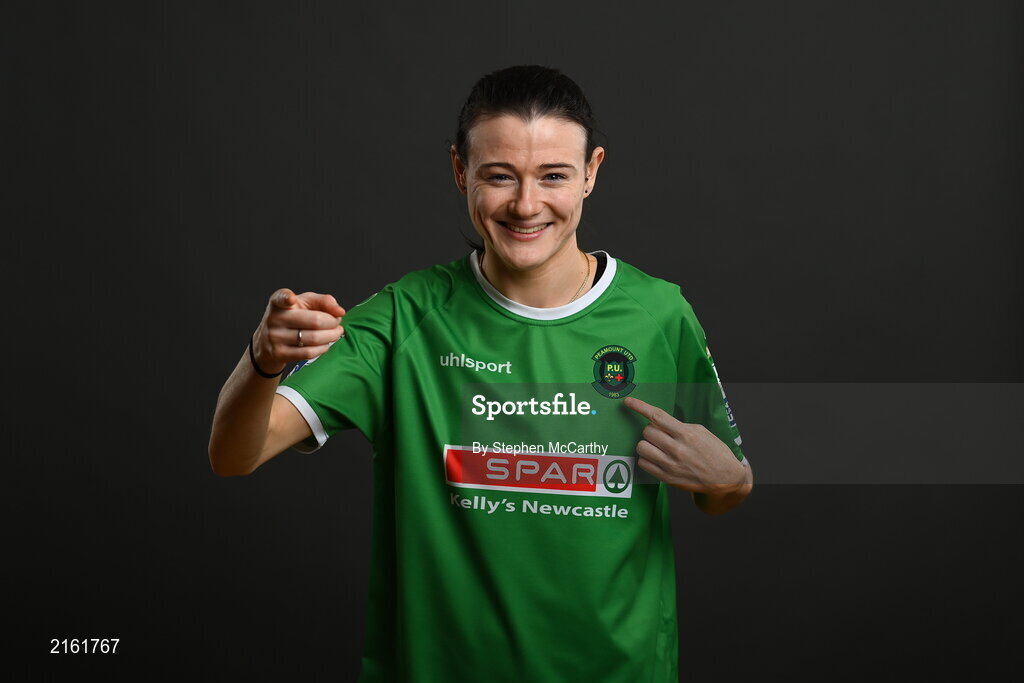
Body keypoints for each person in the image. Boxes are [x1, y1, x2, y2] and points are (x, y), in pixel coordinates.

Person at [209, 64, 752, 682]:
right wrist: (262, 360)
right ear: (460, 171)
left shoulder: (659, 315)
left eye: (553, 176)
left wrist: (731, 480)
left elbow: (723, 489)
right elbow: (233, 455)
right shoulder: (404, 319)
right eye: (499, 177)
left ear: (592, 172)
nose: (526, 205)